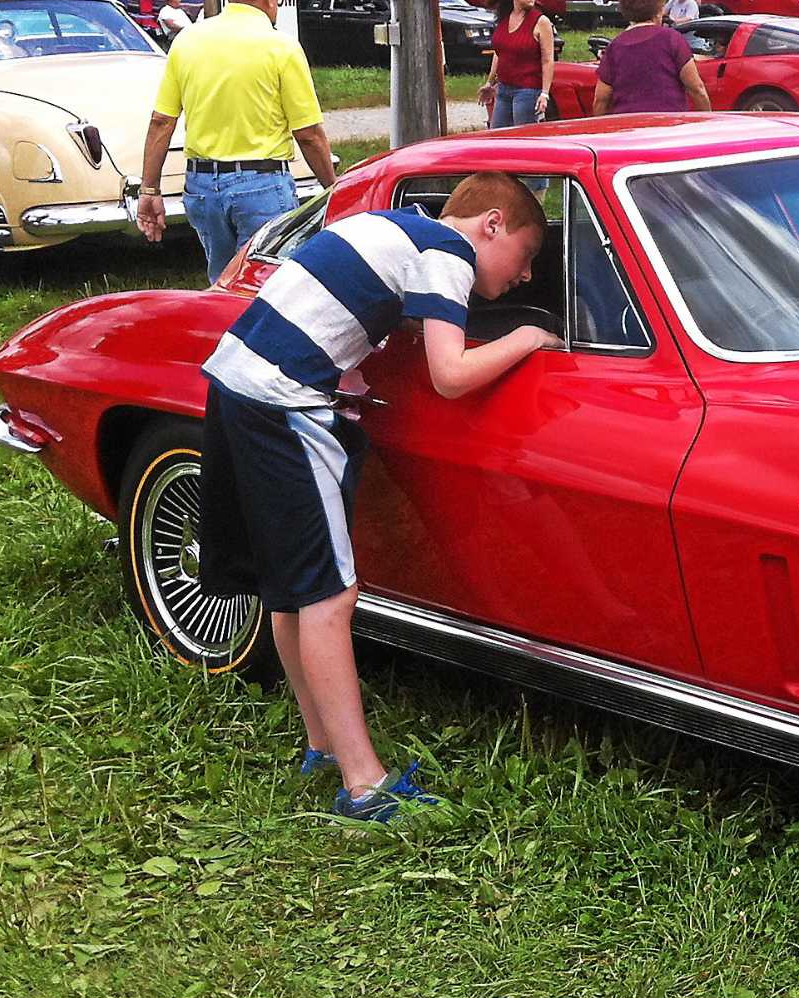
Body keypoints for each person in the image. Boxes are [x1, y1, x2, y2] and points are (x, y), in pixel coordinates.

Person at [197, 172, 556, 821]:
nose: (527, 274)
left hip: (236, 380)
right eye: (526, 254)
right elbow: (450, 375)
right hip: (283, 399)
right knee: (330, 596)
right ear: (491, 225)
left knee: (293, 589)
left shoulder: (400, 229)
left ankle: (321, 744)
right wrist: (530, 336)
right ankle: (365, 785)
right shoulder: (449, 252)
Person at [137, 0, 335, 281]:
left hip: (201, 186)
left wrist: (149, 190)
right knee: (267, 285)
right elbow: (308, 135)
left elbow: (162, 122)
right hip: (261, 184)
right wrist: (333, 188)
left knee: (222, 283)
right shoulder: (281, 47)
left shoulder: (187, 41)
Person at [590, 0, 712, 116]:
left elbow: (601, 100)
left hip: (628, 123)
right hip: (668, 122)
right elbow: (696, 89)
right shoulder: (671, 39)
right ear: (658, 10)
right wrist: (707, 119)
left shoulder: (615, 46)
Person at [478, 0, 556, 129]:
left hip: (527, 91)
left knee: (522, 136)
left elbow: (548, 60)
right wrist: (490, 82)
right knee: (498, 135)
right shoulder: (504, 18)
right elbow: (500, 53)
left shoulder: (541, 21)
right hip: (504, 89)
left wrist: (544, 93)